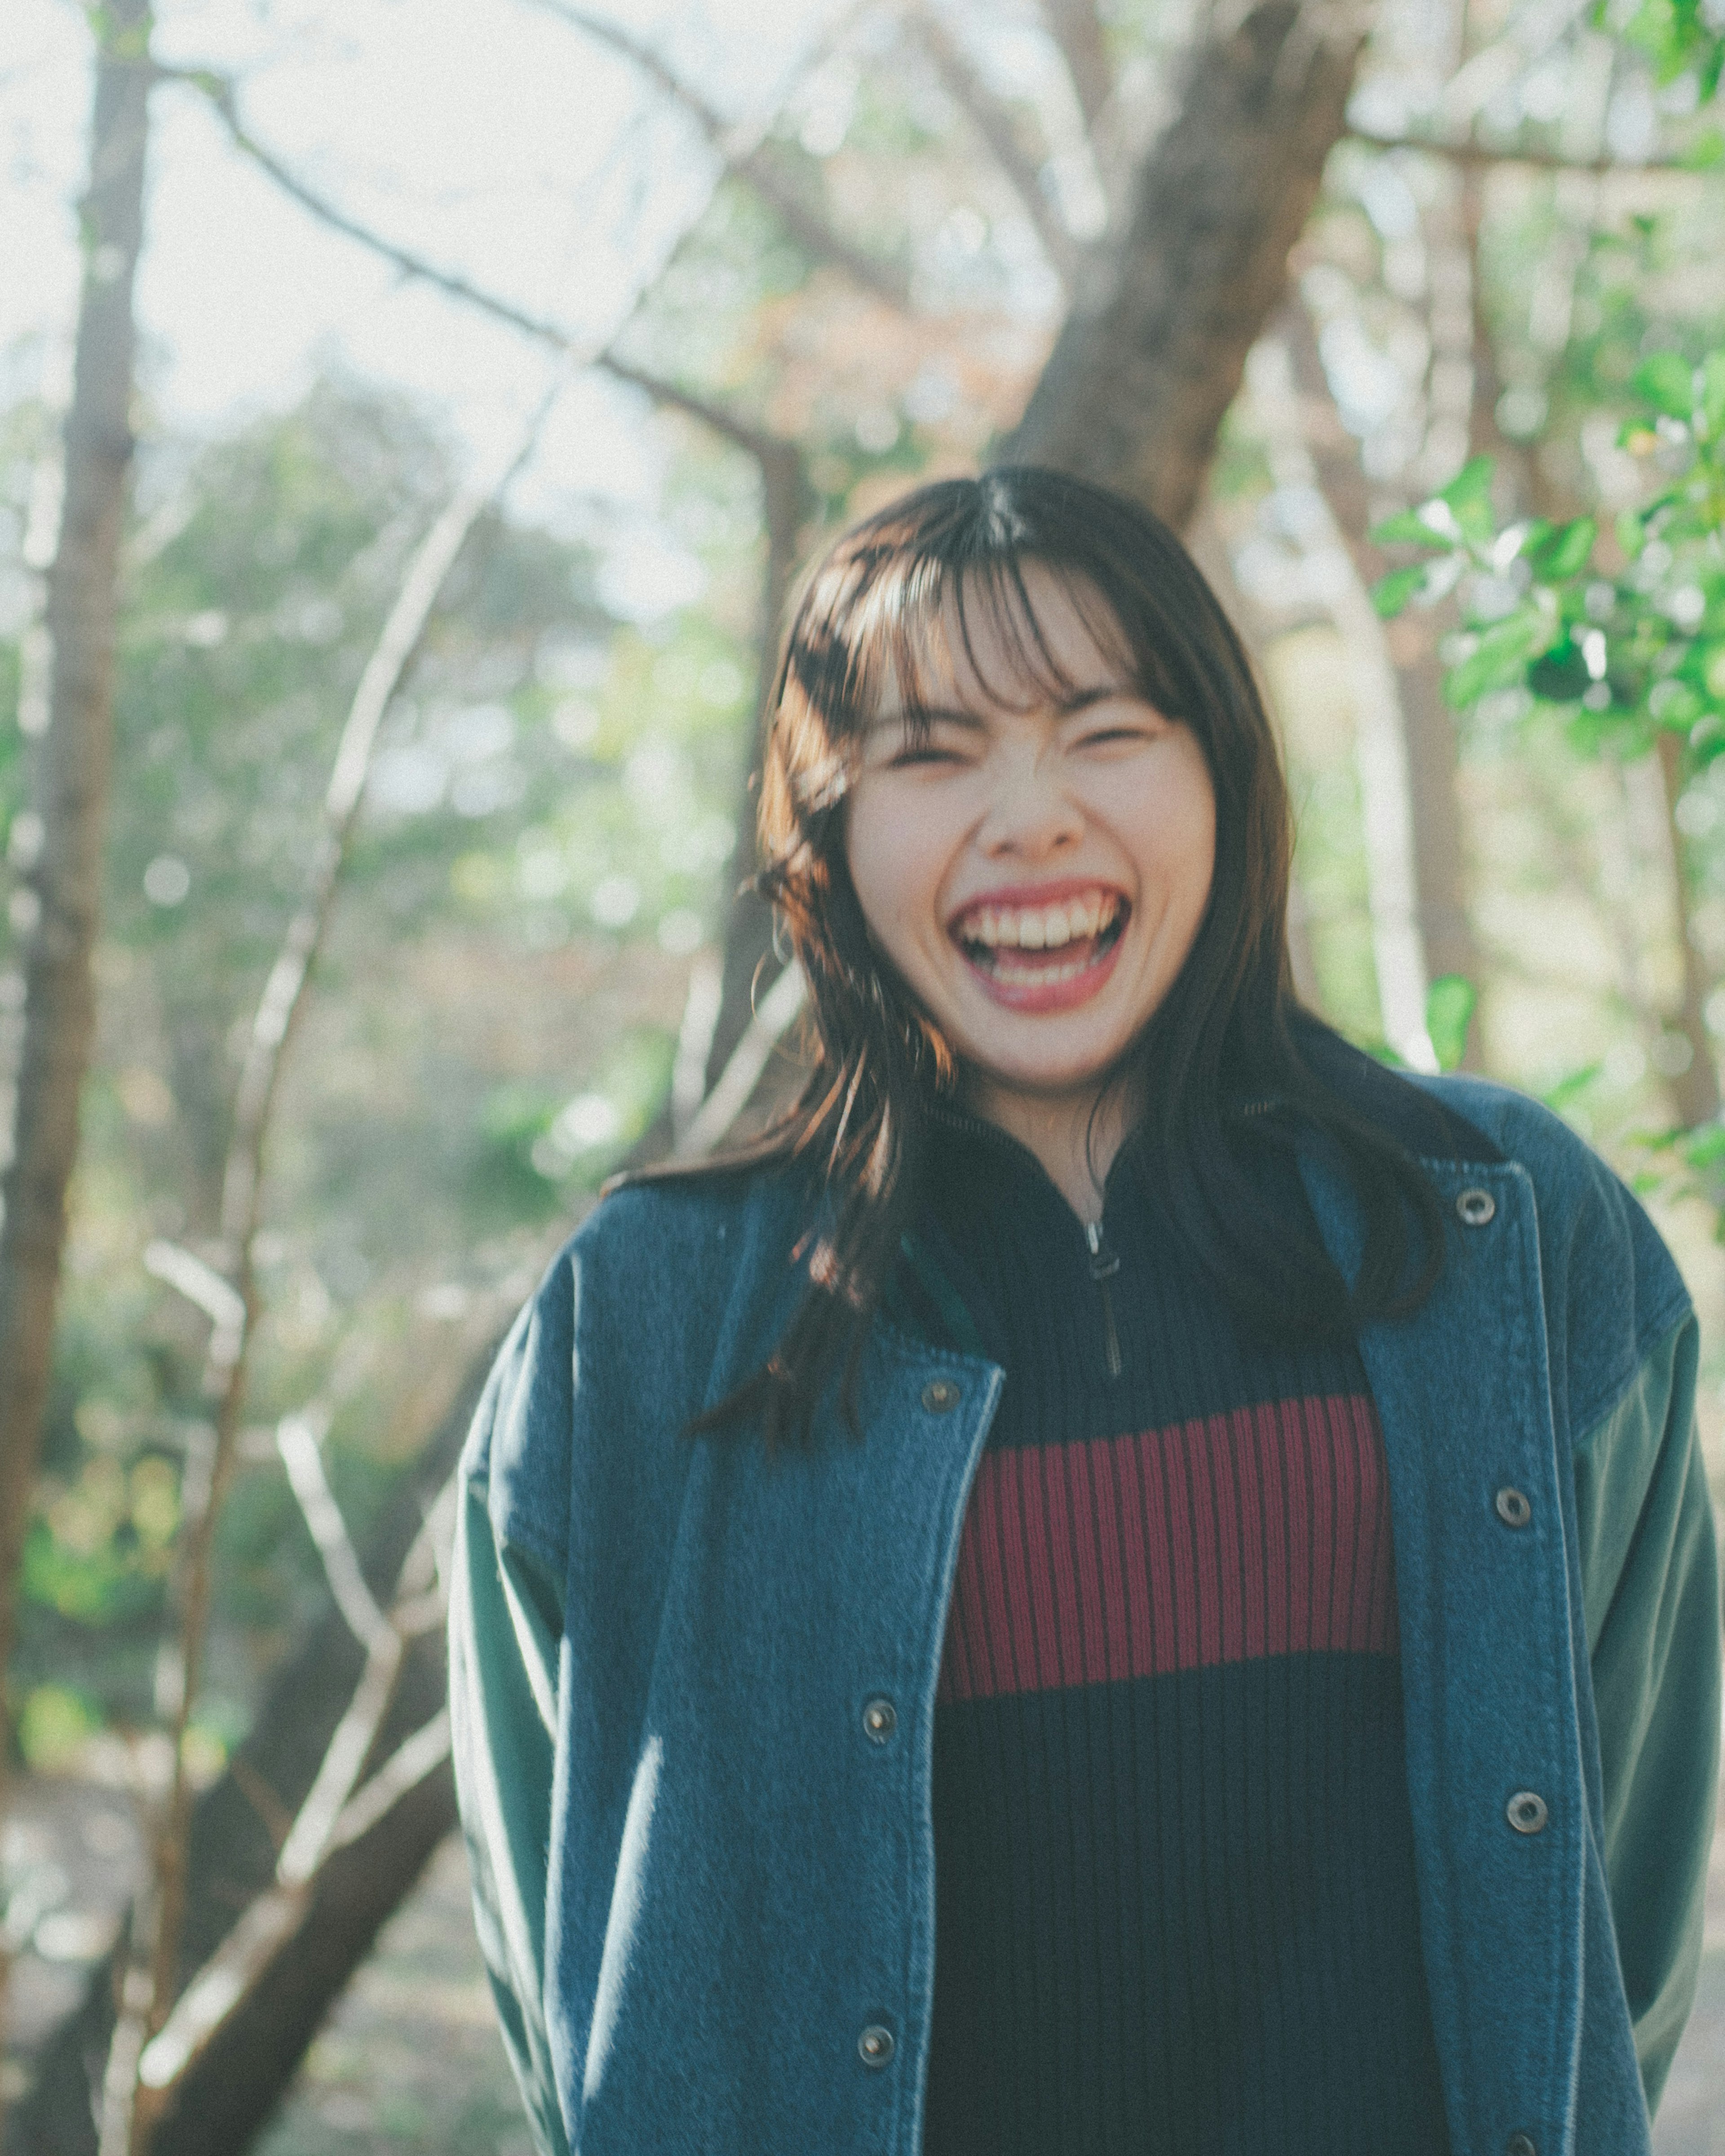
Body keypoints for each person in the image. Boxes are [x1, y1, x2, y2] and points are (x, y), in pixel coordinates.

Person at [448, 467, 1721, 2156]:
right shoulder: (646, 1325)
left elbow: (1607, 1932)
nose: (1028, 817)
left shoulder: (1512, 1236)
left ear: (1225, 777)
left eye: (1106, 730)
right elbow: (569, 1970)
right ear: (826, 832)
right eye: (930, 754)